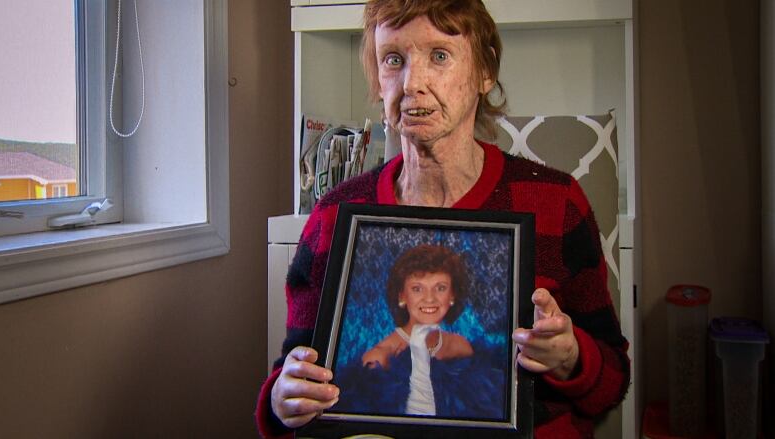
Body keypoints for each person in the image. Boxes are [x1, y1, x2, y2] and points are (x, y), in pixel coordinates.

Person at [256, 0, 630, 437]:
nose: (413, 83)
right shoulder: (333, 217)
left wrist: (570, 357)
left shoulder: (556, 202)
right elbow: (293, 375)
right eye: (393, 60)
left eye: (439, 56)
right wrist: (284, 398)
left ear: (484, 73)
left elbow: (612, 381)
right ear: (378, 81)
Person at [331, 244, 505, 418]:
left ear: (452, 296)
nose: (429, 298)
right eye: (417, 289)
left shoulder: (460, 347)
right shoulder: (378, 359)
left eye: (440, 288)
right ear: (402, 296)